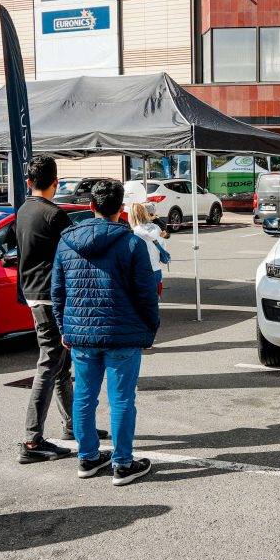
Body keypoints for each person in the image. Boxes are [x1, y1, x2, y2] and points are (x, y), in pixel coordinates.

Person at [52, 180, 160, 486]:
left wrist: (64, 328)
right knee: (122, 399)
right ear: (121, 208)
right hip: (123, 333)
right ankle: (122, 463)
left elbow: (58, 291)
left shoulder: (66, 242)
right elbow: (146, 293)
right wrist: (150, 329)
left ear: (91, 206)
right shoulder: (132, 244)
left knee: (84, 397)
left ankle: (87, 457)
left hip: (81, 334)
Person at [17, 156, 106, 465]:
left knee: (59, 363)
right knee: (50, 362)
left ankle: (73, 426)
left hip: (33, 292)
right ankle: (31, 439)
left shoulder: (24, 210)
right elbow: (79, 251)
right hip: (51, 295)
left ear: (29, 182)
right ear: (55, 182)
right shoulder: (54, 215)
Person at [128, 202, 169, 297]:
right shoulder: (157, 228)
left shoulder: (133, 233)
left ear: (131, 216)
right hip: (156, 270)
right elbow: (163, 247)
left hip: (140, 272)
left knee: (139, 306)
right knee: (154, 303)